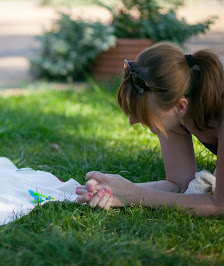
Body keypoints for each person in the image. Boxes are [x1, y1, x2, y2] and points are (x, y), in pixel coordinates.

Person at [76, 42, 224, 216]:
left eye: (143, 112)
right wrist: (111, 190)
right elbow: (180, 183)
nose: (132, 121)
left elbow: (219, 205)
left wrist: (133, 195)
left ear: (180, 107)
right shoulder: (177, 93)